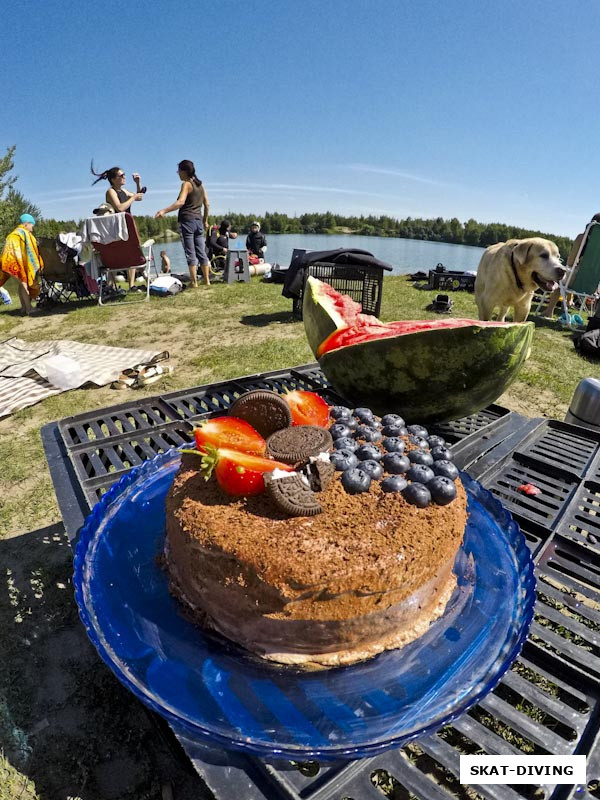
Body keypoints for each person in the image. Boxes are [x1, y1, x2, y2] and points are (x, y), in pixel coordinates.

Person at [155, 160, 210, 287]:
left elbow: (180, 202)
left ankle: (194, 282)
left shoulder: (186, 184)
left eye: (178, 171)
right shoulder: (200, 185)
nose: (178, 174)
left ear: (184, 171)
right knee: (201, 252)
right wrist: (205, 220)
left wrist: (164, 210)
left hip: (187, 222)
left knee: (190, 252)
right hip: (198, 221)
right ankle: (207, 281)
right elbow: (207, 204)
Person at [90, 162, 145, 291]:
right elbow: (120, 208)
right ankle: (109, 285)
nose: (124, 177)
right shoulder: (111, 192)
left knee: (131, 252)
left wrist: (137, 183)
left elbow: (139, 198)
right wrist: (132, 198)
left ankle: (131, 285)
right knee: (116, 255)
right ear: (114, 179)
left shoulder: (124, 190)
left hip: (128, 225)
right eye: (122, 175)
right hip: (116, 228)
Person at [0, 213, 44, 316]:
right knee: (25, 284)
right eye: (32, 225)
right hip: (16, 263)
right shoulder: (24, 233)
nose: (32, 228)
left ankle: (24, 308)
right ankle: (29, 309)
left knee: (21, 284)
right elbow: (30, 251)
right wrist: (34, 264)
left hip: (8, 262)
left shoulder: (13, 234)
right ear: (26, 224)